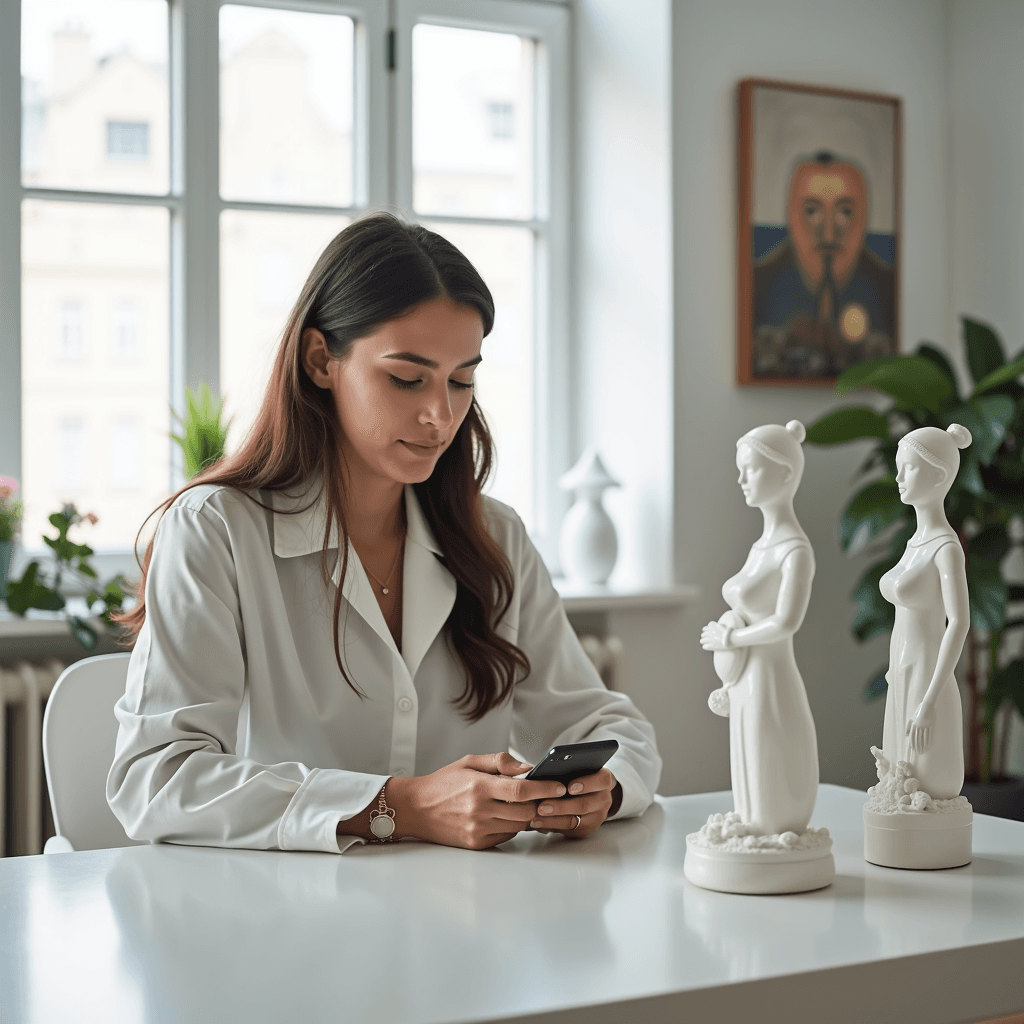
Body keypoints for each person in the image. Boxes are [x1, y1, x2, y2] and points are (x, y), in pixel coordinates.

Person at [106, 212, 661, 854]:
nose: (440, 415)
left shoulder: (496, 537)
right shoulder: (216, 531)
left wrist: (601, 789)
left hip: (465, 922)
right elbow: (156, 777)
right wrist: (399, 807)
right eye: (406, 378)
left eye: (462, 381)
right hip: (279, 921)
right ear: (321, 360)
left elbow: (610, 725)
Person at [699, 421, 818, 836]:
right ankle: (753, 824)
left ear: (786, 473)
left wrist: (730, 638)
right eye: (740, 469)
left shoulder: (794, 551)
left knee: (767, 750)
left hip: (771, 677)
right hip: (746, 679)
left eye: (751, 469)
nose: (741, 479)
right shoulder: (760, 546)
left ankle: (776, 825)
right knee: (747, 754)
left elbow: (786, 622)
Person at [878, 424, 972, 799]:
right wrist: (892, 669)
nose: (898, 477)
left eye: (909, 468)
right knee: (897, 775)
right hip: (900, 672)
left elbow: (959, 622)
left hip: (927, 676)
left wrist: (930, 700)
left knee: (928, 780)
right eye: (899, 467)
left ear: (939, 476)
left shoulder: (945, 547)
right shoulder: (915, 542)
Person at [752, 151, 895, 379]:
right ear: (791, 216)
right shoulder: (756, 286)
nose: (828, 235)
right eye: (811, 211)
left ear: (864, 217)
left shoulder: (889, 290)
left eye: (845, 212)